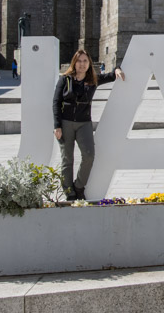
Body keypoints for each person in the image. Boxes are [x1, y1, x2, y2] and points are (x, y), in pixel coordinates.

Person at [53, 50, 126, 201]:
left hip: (84, 123)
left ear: (89, 64)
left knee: (89, 155)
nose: (82, 64)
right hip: (66, 123)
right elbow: (56, 102)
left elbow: (111, 75)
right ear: (74, 62)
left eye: (85, 61)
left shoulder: (93, 79)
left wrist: (118, 68)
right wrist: (57, 125)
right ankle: (69, 192)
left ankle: (79, 186)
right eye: (79, 61)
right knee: (67, 158)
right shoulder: (65, 79)